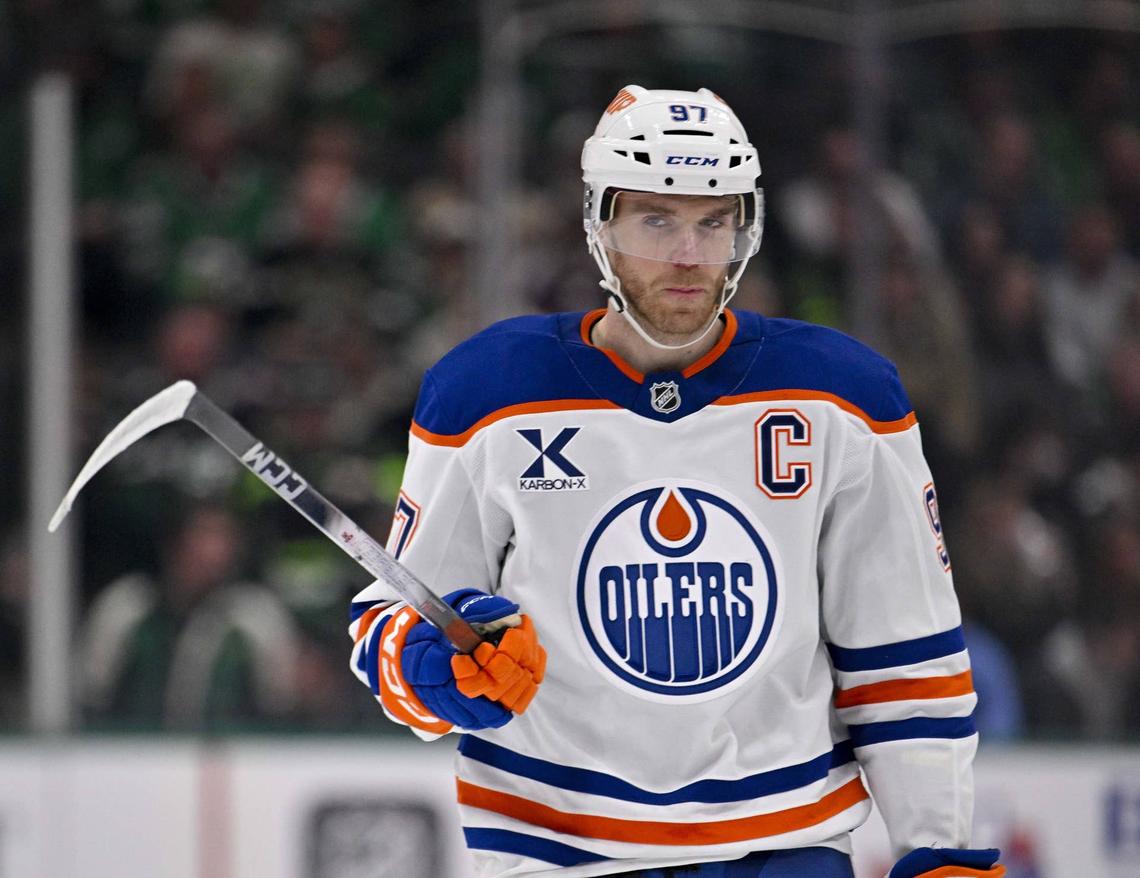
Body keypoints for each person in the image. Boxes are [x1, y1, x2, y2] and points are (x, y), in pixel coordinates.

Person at [349, 86, 1004, 878]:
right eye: (657, 220)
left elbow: (904, 648)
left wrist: (935, 845)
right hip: (553, 851)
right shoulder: (488, 391)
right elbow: (392, 631)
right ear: (600, 225)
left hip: (782, 848)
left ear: (745, 225)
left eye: (713, 221)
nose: (690, 256)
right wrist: (443, 667)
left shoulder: (842, 396)